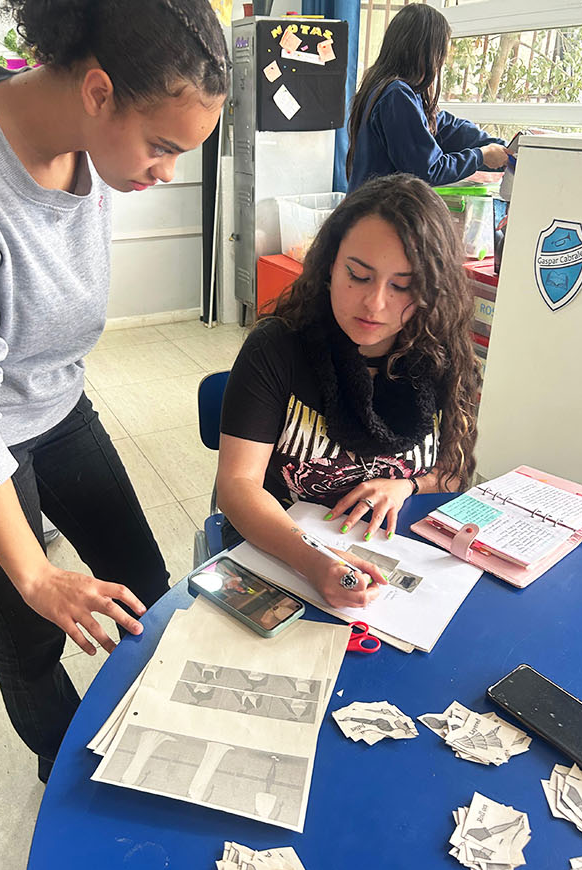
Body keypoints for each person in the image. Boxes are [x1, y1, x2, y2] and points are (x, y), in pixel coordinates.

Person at [0, 0, 228, 782]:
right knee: (33, 624)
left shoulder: (92, 150)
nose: (167, 173)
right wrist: (34, 573)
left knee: (146, 592)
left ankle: (165, 739)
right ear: (97, 92)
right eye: (162, 147)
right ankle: (68, 778)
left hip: (54, 402)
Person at [216, 174, 480, 611]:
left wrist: (406, 487)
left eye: (403, 285)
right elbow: (237, 485)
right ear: (330, 266)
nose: (374, 304)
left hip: (399, 565)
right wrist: (313, 560)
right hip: (283, 554)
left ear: (432, 289)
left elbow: (454, 471)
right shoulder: (277, 348)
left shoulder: (442, 353)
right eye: (358, 275)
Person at [345, 4, 509, 189]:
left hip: (370, 207)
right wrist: (481, 156)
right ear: (424, 51)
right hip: (379, 211)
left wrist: (501, 146)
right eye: (440, 54)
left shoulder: (390, 89)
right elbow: (428, 170)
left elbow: (448, 127)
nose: (441, 62)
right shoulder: (396, 95)